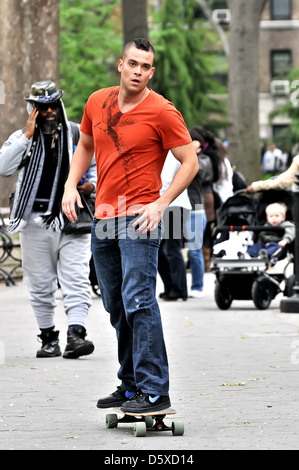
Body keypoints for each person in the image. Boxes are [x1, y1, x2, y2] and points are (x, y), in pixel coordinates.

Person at [62, 38, 199, 414]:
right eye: (133, 64)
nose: (139, 71)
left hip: (141, 216)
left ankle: (155, 392)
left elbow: (190, 162)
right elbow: (85, 146)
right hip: (104, 217)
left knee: (139, 299)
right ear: (121, 64)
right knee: (116, 305)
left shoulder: (162, 111)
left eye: (146, 66)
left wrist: (161, 203)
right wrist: (70, 185)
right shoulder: (96, 101)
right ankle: (131, 384)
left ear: (151, 72)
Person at [0, 80, 95, 359]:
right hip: (34, 221)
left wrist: (90, 186)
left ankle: (76, 336)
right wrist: (26, 137)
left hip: (72, 218)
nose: (49, 111)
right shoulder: (22, 139)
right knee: (40, 284)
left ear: (60, 105)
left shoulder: (78, 135)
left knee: (77, 279)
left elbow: (98, 169)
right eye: (42, 107)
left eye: (53, 105)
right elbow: (4, 168)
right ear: (33, 109)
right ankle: (48, 338)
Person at [158, 151, 191, 301]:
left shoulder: (173, 154)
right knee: (158, 250)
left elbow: (165, 181)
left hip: (175, 205)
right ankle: (171, 286)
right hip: (163, 205)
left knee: (173, 249)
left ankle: (180, 290)